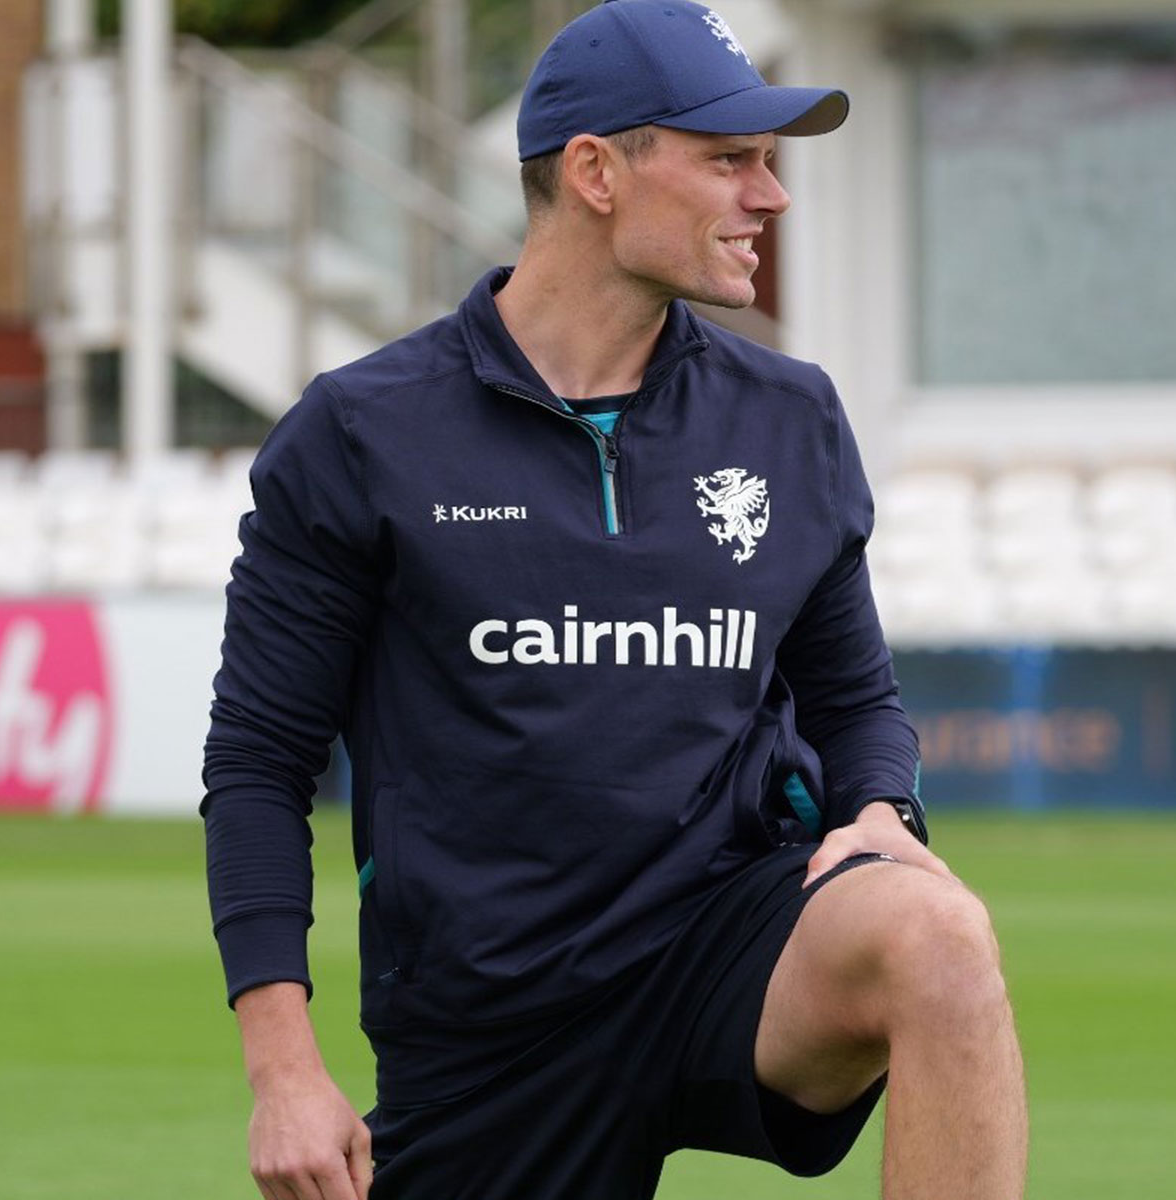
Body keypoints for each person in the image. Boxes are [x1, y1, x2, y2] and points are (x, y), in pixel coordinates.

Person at [202, 2, 1027, 1197]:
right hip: (489, 1027)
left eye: (770, 162)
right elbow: (257, 766)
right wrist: (283, 1070)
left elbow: (857, 706)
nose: (771, 196)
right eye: (728, 160)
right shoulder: (359, 432)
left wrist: (883, 810)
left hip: (725, 946)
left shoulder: (787, 418)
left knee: (937, 936)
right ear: (594, 171)